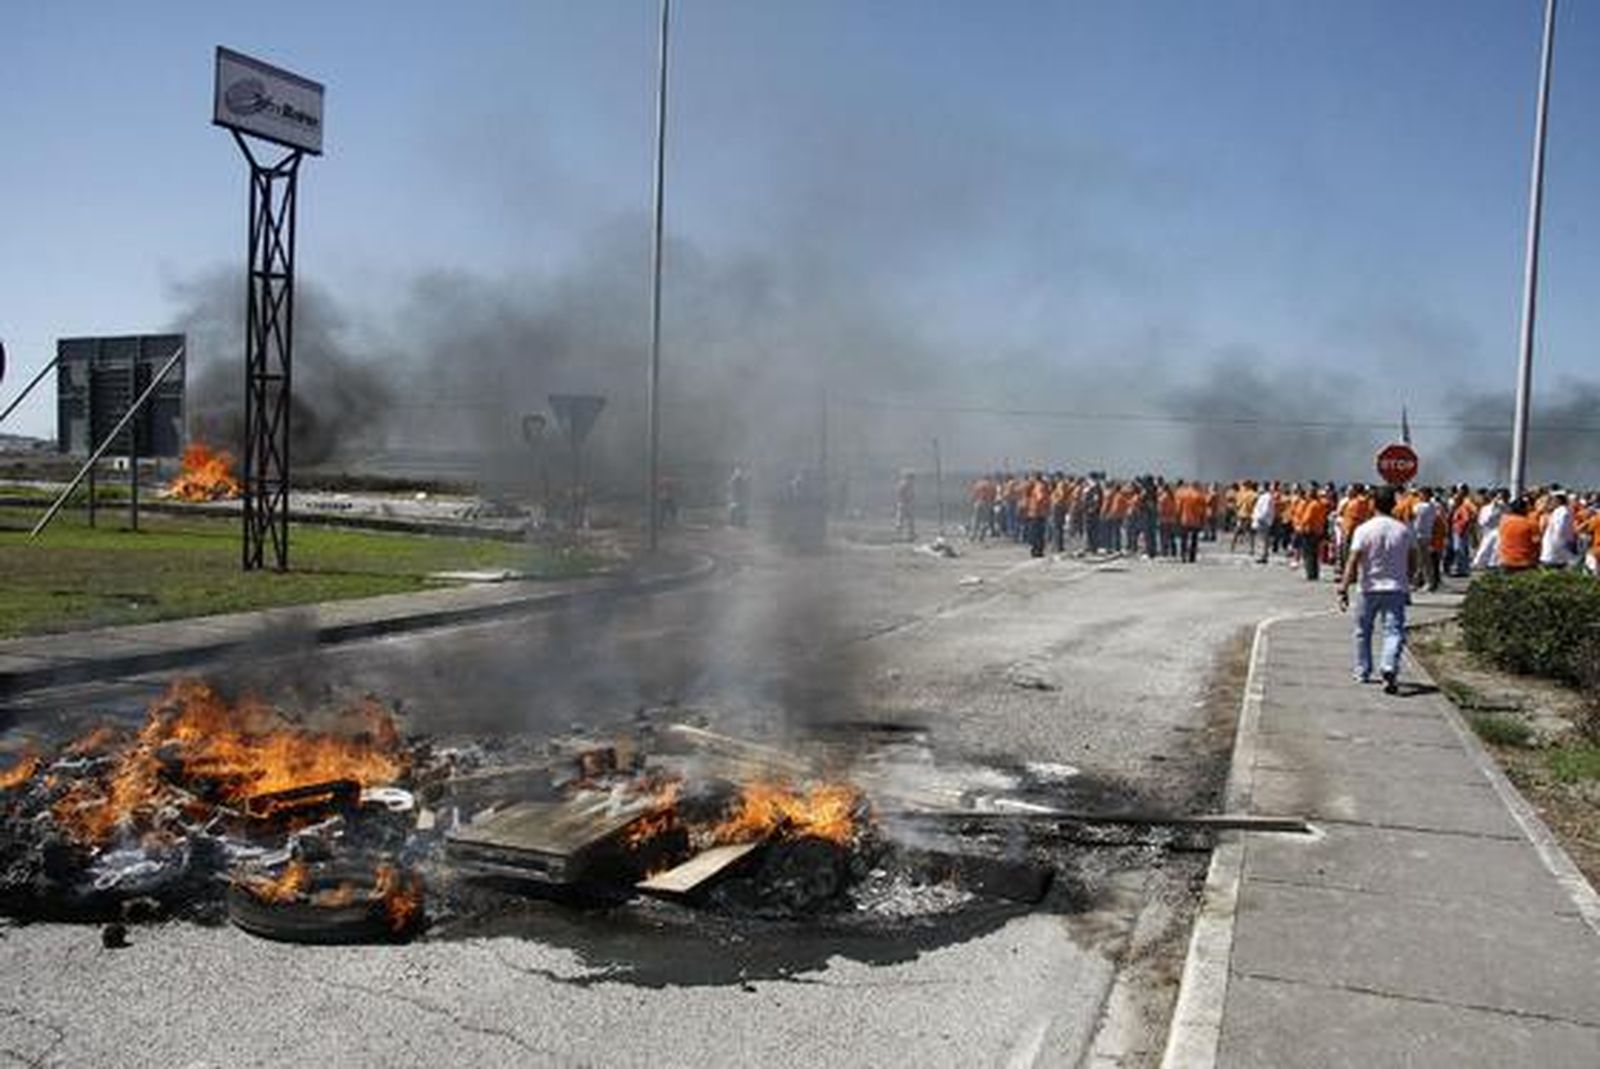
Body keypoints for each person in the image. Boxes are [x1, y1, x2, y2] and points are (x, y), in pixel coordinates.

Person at [1337, 485, 1417, 694]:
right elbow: (1413, 560)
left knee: (1363, 632)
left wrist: (1344, 587)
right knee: (1394, 631)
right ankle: (1389, 666)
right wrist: (1408, 581)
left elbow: (1353, 560)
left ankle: (1363, 670)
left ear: (1373, 504)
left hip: (1368, 588)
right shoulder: (1403, 530)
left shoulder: (1364, 530)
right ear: (1394, 505)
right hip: (1396, 589)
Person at [1497, 497, 1539, 573]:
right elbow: (1536, 542)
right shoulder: (1531, 523)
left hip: (1506, 559)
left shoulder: (1504, 521)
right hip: (1524, 560)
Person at [1540, 492, 1577, 569]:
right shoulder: (1564, 510)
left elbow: (1560, 528)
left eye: (1553, 500)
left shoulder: (1561, 511)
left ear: (1558, 501)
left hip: (1556, 544)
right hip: (1558, 545)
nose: (1551, 503)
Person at [1251, 482, 1277, 564]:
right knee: (1261, 539)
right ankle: (1261, 555)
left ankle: (1262, 556)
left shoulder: (1267, 497)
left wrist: (1259, 518)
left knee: (1262, 539)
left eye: (1260, 487)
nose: (1259, 489)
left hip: (1263, 521)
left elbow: (1265, 510)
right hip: (1261, 521)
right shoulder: (1263, 497)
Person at [895, 471, 917, 542]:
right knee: (901, 519)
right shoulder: (904, 483)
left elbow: (911, 494)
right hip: (904, 503)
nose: (912, 479)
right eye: (911, 477)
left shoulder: (909, 484)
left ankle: (911, 534)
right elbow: (900, 493)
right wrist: (905, 499)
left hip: (907, 503)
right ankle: (899, 534)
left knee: (910, 520)